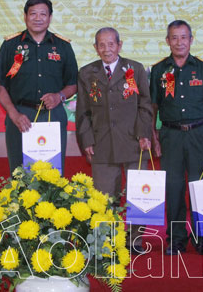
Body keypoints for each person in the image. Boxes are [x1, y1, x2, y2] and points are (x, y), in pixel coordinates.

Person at [75, 27, 152, 249]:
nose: (106, 49)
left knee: (138, 194)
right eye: (101, 44)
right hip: (102, 143)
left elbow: (145, 105)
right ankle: (108, 240)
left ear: (119, 45)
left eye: (111, 44)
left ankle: (135, 239)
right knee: (104, 196)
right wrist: (87, 140)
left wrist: (144, 134)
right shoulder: (87, 73)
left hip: (134, 141)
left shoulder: (135, 69)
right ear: (95, 47)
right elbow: (83, 111)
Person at [150, 20, 203, 255]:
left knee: (201, 187)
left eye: (184, 37)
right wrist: (154, 136)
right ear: (167, 41)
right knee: (174, 188)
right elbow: (153, 106)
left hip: (199, 134)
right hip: (170, 135)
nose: (179, 42)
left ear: (191, 40)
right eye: (174, 37)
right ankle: (176, 239)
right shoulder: (159, 70)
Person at [0, 0, 78, 173]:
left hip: (53, 114)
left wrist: (59, 96)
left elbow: (73, 83)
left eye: (43, 14)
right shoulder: (10, 45)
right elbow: (0, 85)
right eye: (33, 14)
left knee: (52, 174)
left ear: (50, 17)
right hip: (20, 115)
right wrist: (13, 114)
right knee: (20, 173)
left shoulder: (63, 46)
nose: (38, 18)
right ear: (25, 16)